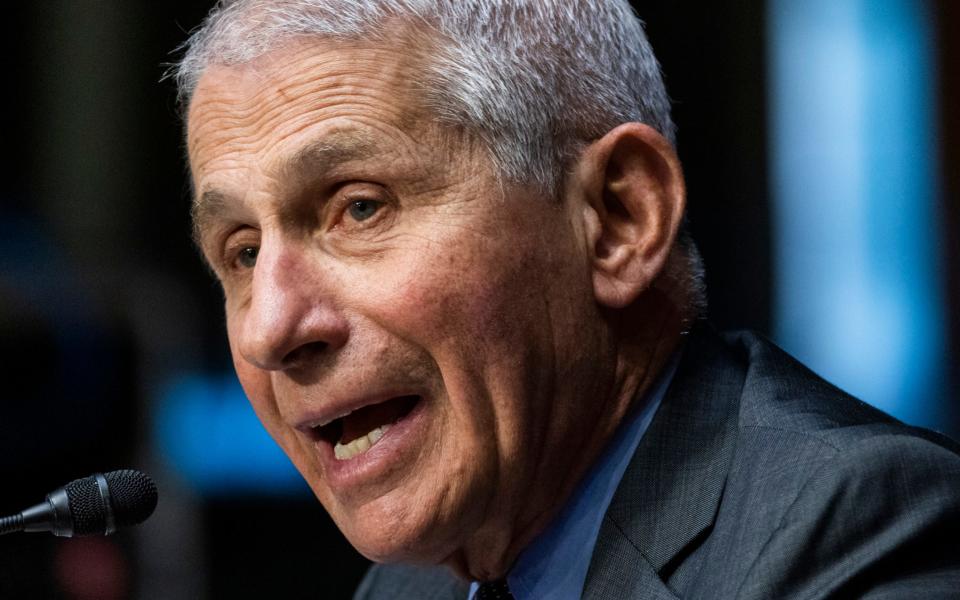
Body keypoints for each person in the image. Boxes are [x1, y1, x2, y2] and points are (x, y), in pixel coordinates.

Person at [175, 1, 960, 597]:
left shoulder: (862, 534)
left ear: (620, 218)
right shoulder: (415, 583)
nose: (272, 328)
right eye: (241, 253)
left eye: (360, 208)